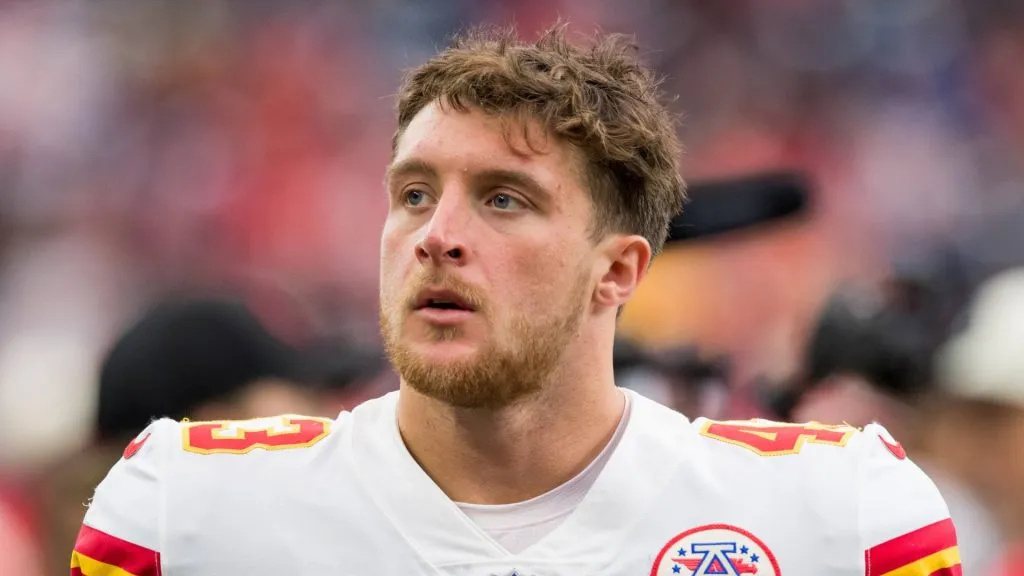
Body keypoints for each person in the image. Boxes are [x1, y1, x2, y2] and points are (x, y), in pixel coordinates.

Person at [71, 24, 960, 575]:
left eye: (504, 199)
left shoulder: (841, 517)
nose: (436, 235)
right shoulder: (182, 512)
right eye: (415, 194)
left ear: (617, 272)